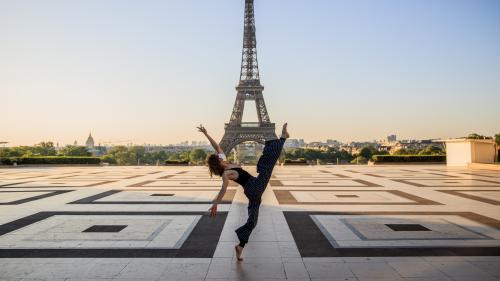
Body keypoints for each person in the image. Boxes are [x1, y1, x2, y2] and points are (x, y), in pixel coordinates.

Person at [197, 123, 289, 261]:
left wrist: (206, 134)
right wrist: (216, 203)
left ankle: (240, 246)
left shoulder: (224, 162)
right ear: (218, 163)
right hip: (253, 187)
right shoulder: (226, 173)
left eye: (220, 156)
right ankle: (282, 138)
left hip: (252, 189)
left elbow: (216, 146)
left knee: (253, 221)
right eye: (219, 158)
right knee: (266, 168)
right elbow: (223, 189)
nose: (221, 156)